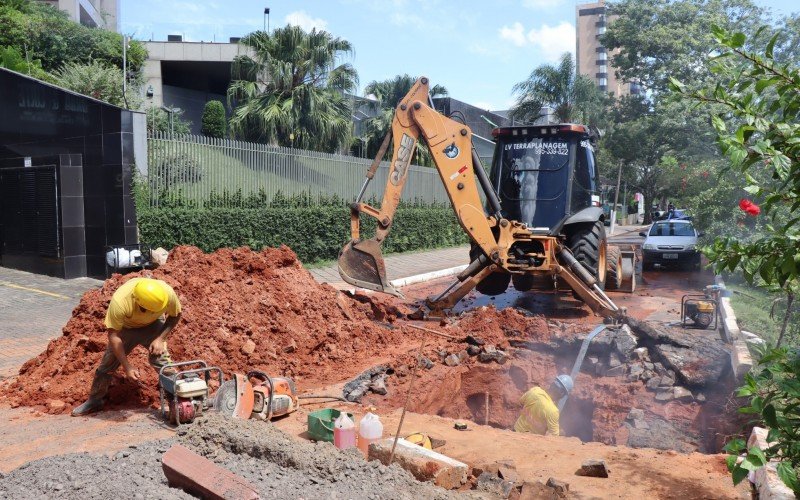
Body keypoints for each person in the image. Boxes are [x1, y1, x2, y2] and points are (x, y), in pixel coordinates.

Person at [71, 278, 182, 416]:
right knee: (107, 364)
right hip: (126, 328)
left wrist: (160, 339)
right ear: (137, 302)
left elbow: (175, 315)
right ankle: (95, 400)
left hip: (154, 325)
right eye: (146, 310)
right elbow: (113, 336)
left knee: (162, 361)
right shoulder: (120, 301)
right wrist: (127, 366)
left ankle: (177, 400)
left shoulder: (167, 294)